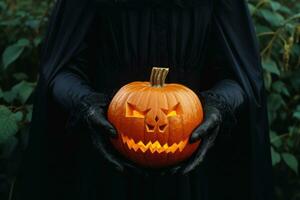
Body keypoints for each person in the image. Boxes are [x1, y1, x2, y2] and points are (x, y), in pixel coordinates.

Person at [13, 0, 274, 199]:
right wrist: (85, 104)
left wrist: (219, 105)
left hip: (192, 153)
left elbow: (241, 75)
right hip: (104, 152)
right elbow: (60, 69)